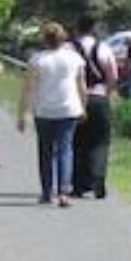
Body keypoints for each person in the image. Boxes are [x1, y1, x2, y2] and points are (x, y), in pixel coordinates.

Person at [19, 22, 86, 207]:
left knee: (45, 152)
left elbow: (28, 89)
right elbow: (81, 85)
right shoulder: (74, 58)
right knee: (65, 150)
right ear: (63, 38)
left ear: (44, 39)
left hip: (44, 110)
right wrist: (83, 106)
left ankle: (47, 192)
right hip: (68, 108)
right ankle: (64, 192)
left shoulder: (37, 60)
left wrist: (23, 113)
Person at [68, 15, 119, 199]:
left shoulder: (70, 48)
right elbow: (112, 75)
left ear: (77, 28)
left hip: (75, 99)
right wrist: (108, 93)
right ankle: (98, 182)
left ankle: (78, 185)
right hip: (98, 97)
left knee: (76, 142)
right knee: (99, 142)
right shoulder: (103, 47)